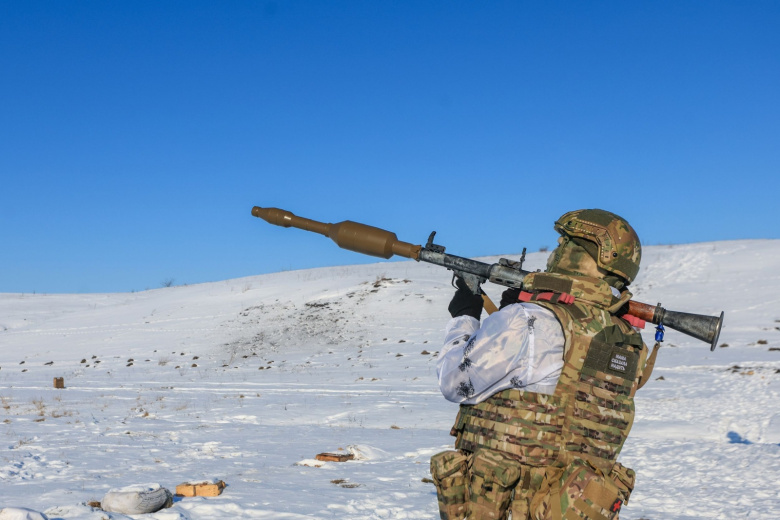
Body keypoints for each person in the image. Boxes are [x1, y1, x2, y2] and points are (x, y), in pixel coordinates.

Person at [430, 209, 649, 520]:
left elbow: (454, 381)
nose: (558, 246)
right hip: (570, 507)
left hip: (509, 504)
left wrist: (464, 315)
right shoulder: (625, 340)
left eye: (567, 241)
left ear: (587, 255)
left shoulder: (529, 320)